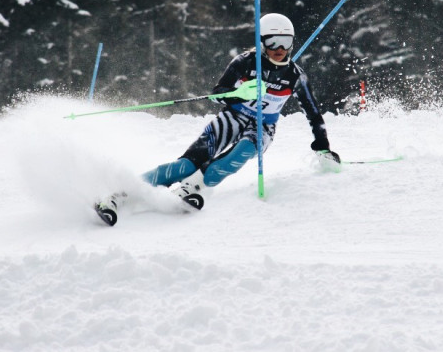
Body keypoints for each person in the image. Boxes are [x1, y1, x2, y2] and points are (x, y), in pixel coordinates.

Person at [95, 13, 340, 226]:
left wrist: (323, 147)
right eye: (272, 41)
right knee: (185, 167)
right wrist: (238, 93)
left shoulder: (296, 76)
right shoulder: (245, 62)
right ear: (262, 42)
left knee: (241, 153)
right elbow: (217, 94)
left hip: (263, 126)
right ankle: (119, 195)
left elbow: (313, 114)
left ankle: (192, 188)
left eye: (286, 42)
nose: (280, 48)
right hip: (232, 117)